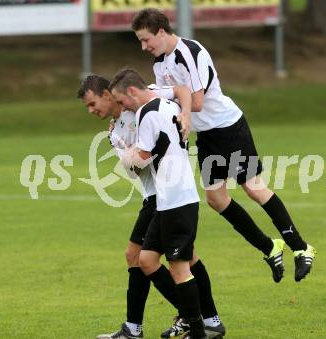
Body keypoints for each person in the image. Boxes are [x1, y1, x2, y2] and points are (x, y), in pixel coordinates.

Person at [131, 8, 316, 283]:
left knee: (254, 189)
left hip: (229, 127)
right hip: (207, 135)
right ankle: (270, 247)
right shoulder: (159, 64)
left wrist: (174, 106)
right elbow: (165, 104)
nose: (144, 46)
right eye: (140, 42)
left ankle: (301, 248)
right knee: (216, 199)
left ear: (161, 31)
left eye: (146, 40)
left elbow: (196, 103)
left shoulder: (189, 53)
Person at [77, 75, 224, 339]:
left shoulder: (146, 102)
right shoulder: (116, 129)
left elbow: (180, 90)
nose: (90, 111)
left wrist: (187, 115)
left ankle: (192, 319)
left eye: (92, 103)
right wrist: (123, 149)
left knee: (147, 257)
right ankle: (201, 319)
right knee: (177, 257)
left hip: (165, 195)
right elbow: (134, 171)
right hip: (155, 194)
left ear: (109, 95)